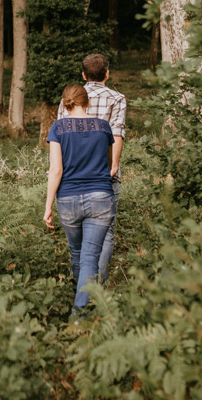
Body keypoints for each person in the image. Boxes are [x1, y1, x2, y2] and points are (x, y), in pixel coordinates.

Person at [44, 84, 116, 315]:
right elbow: (107, 164)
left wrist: (48, 206)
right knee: (89, 257)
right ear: (87, 102)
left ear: (65, 103)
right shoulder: (103, 128)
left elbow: (56, 170)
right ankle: (81, 310)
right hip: (100, 198)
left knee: (77, 253)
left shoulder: (58, 128)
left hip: (68, 200)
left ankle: (78, 307)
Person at [56, 54, 126, 283]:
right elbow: (117, 133)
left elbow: (61, 133)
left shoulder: (68, 98)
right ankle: (98, 286)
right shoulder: (117, 98)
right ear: (107, 73)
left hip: (72, 175)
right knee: (106, 234)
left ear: (83, 75)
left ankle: (78, 286)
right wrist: (113, 166)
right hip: (102, 175)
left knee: (76, 243)